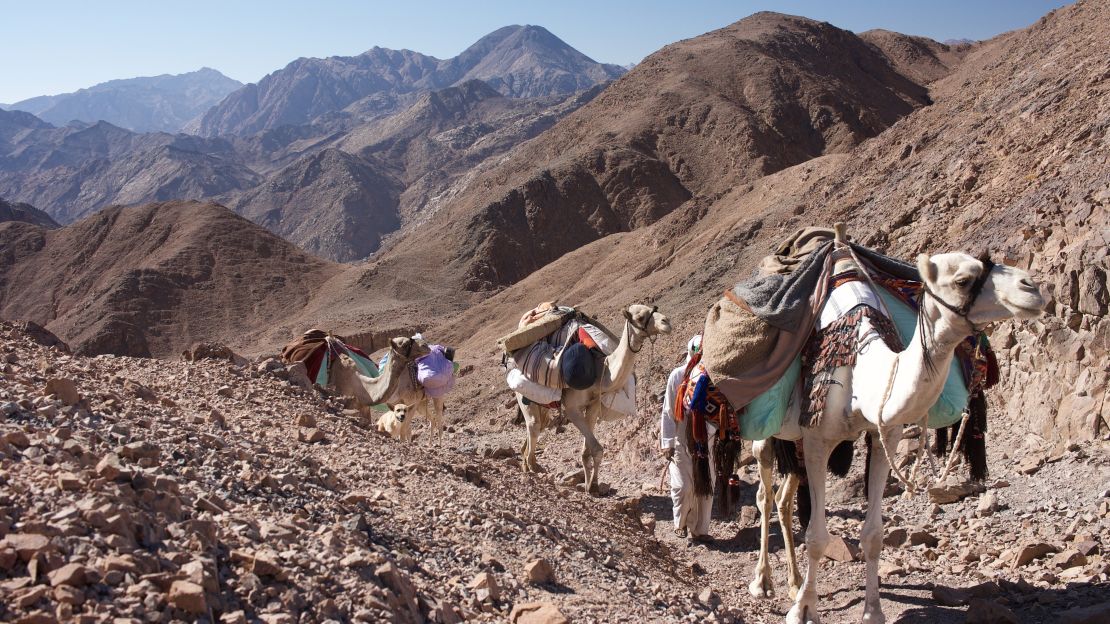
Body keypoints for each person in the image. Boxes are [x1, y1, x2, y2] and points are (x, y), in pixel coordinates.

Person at [660, 335, 716, 542]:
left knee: (706, 486)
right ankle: (681, 523)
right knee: (683, 486)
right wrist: (667, 443)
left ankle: (701, 531)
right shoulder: (677, 376)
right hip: (681, 439)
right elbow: (668, 411)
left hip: (708, 442)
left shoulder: (715, 377)